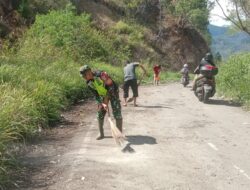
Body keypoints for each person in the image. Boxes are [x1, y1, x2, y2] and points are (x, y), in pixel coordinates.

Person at [80, 65, 123, 140]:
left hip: (113, 93)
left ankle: (119, 134)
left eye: (85, 74)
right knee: (100, 113)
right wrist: (101, 103)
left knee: (117, 112)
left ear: (90, 72)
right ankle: (101, 134)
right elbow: (95, 95)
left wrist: (106, 98)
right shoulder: (89, 83)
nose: (84, 77)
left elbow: (111, 86)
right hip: (102, 96)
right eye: (83, 75)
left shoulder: (101, 74)